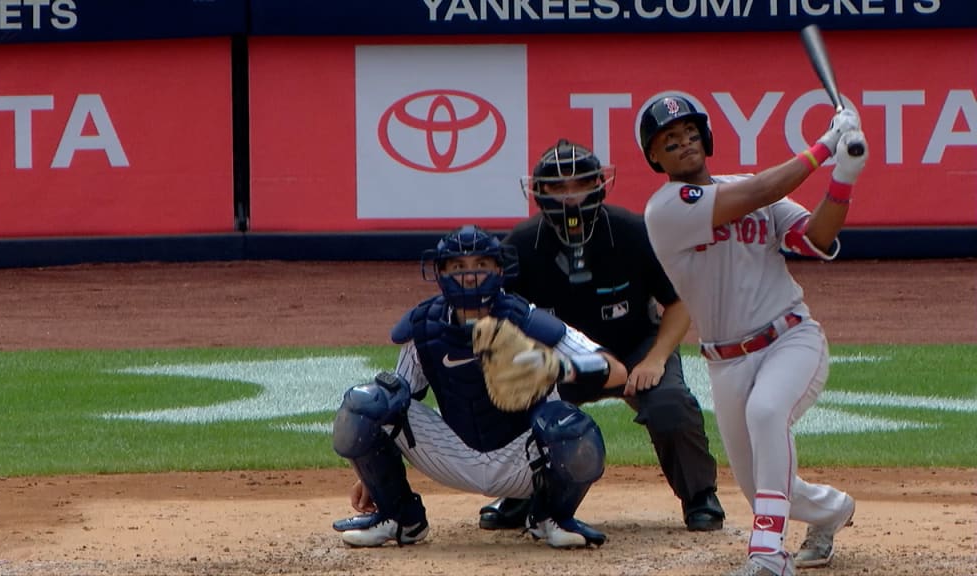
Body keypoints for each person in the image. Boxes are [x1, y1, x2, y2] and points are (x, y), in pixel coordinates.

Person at [638, 94, 866, 576]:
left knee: (767, 415)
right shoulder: (665, 209)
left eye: (691, 134)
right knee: (757, 480)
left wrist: (843, 177)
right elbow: (757, 193)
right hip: (725, 361)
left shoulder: (753, 189)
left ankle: (767, 555)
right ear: (654, 157)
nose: (684, 144)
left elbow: (815, 238)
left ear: (707, 139)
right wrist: (826, 144)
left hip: (791, 338)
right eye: (669, 141)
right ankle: (833, 510)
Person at [476, 139, 726, 533]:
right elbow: (497, 316)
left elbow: (678, 304)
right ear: (539, 192)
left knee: (671, 404)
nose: (570, 196)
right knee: (514, 398)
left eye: (580, 183)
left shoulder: (633, 231)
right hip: (561, 358)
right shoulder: (519, 246)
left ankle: (700, 496)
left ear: (599, 184)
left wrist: (656, 358)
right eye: (557, 187)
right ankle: (525, 492)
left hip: (634, 348)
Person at [331, 224, 629, 549]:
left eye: (481, 266)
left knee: (570, 427)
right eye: (459, 267)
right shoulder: (424, 326)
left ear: (499, 270)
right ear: (441, 272)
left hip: (524, 458)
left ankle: (551, 518)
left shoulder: (526, 320)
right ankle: (400, 518)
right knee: (366, 404)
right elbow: (395, 408)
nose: (470, 276)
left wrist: (559, 368)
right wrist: (371, 479)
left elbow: (617, 371)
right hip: (452, 453)